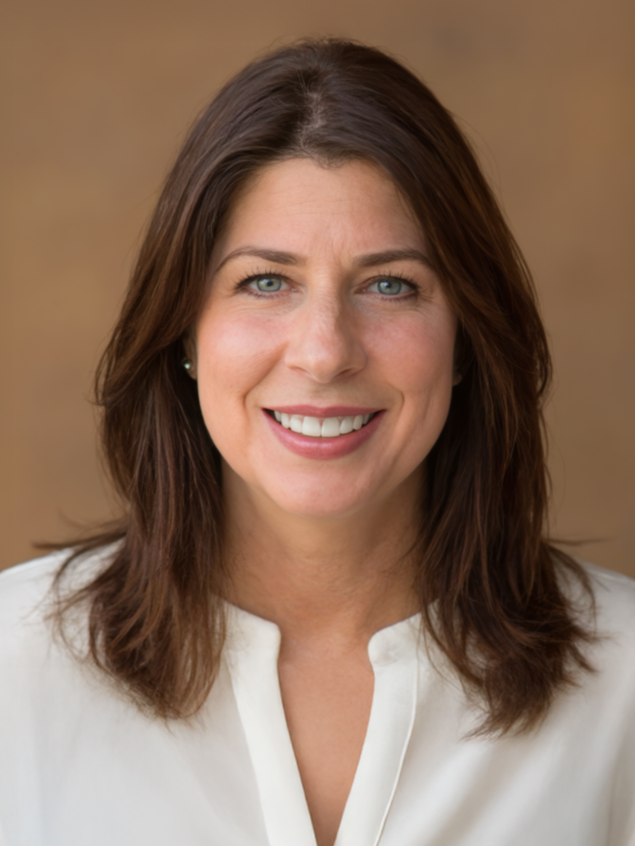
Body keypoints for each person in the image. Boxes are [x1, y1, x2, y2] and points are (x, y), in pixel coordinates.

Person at [0, 38, 633, 846]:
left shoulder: (621, 685)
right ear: (184, 333)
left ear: (466, 337)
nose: (325, 350)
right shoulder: (13, 671)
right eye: (266, 282)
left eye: (389, 285)